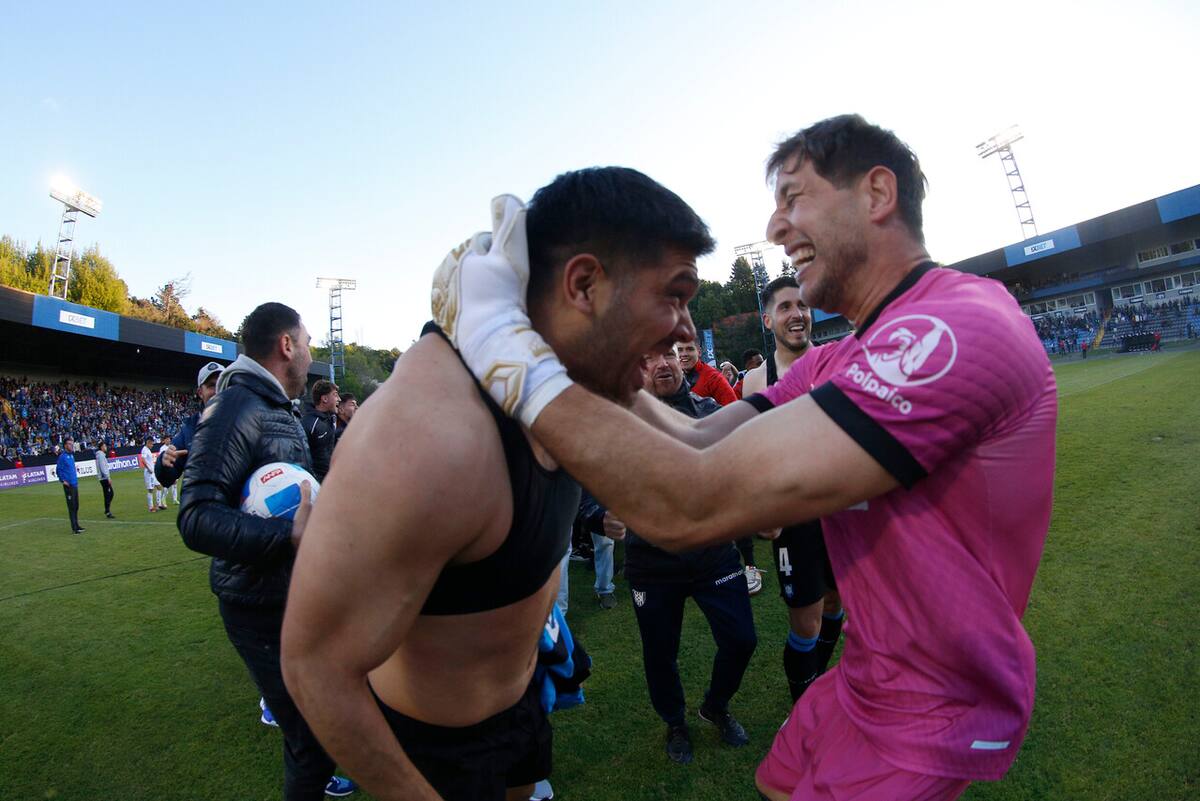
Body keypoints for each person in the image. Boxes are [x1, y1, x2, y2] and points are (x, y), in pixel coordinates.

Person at [437, 114, 1057, 801]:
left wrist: (500, 339)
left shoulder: (953, 328)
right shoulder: (837, 358)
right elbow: (699, 439)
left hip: (931, 705)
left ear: (877, 194)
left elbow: (692, 500)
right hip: (864, 678)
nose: (775, 226)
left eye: (794, 197)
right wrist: (578, 353)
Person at [280, 167, 715, 801]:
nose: (683, 329)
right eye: (674, 295)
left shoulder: (576, 379)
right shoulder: (430, 436)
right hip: (434, 751)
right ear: (585, 285)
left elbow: (706, 451)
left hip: (520, 706)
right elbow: (314, 665)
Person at [177, 303, 355, 800]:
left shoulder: (276, 407)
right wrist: (287, 537)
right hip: (257, 606)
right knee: (311, 737)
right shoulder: (235, 406)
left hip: (289, 592)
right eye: (308, 342)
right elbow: (195, 516)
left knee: (323, 722)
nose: (311, 353)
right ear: (286, 345)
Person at [590, 344, 757, 764]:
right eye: (647, 357)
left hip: (713, 554)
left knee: (742, 639)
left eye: (668, 354)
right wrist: (597, 518)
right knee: (660, 653)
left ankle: (716, 706)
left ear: (682, 359)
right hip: (652, 564)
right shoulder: (620, 423)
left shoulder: (708, 411)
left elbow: (743, 465)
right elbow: (585, 477)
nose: (661, 363)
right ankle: (675, 722)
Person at [742, 275, 844, 702]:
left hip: (844, 511)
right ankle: (803, 708)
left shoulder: (836, 360)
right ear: (768, 320)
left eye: (802, 306)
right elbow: (752, 450)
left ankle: (815, 692)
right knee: (807, 622)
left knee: (836, 607)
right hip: (795, 517)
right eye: (785, 307)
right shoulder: (756, 379)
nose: (797, 314)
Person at [156, 361, 224, 490]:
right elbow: (167, 479)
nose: (217, 391)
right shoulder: (188, 431)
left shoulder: (245, 421)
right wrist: (163, 463)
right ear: (200, 392)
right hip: (199, 507)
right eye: (211, 386)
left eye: (221, 384)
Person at [577, 493, 624, 609]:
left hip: (598, 486)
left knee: (605, 541)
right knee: (561, 548)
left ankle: (605, 589)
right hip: (563, 483)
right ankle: (558, 610)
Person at [676, 340, 737, 406]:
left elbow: (735, 410)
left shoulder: (714, 378)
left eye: (690, 349)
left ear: (699, 352)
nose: (684, 354)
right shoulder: (673, 378)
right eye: (679, 350)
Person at [302, 380, 339, 482]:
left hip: (330, 479)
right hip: (317, 483)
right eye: (335, 395)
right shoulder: (309, 423)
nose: (338, 399)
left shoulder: (332, 418)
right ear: (325, 399)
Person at [56, 436, 83, 534]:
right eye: (69, 444)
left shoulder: (71, 455)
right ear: (65, 445)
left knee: (76, 506)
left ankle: (77, 525)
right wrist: (63, 480)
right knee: (71, 506)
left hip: (74, 484)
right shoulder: (62, 457)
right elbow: (58, 470)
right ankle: (74, 527)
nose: (71, 445)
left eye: (72, 444)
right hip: (68, 486)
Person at [139, 437, 164, 512]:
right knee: (150, 490)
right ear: (148, 442)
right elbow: (143, 460)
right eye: (152, 443)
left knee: (159, 487)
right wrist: (149, 469)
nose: (152, 445)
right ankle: (151, 508)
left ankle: (158, 504)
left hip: (153, 473)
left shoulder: (148, 450)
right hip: (148, 473)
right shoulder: (144, 449)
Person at [95, 440, 115, 519]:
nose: (106, 447)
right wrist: (108, 477)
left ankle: (107, 509)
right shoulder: (101, 456)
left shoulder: (101, 455)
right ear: (101, 447)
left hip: (103, 478)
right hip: (104, 478)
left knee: (108, 494)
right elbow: (103, 468)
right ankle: (107, 510)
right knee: (109, 494)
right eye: (105, 446)